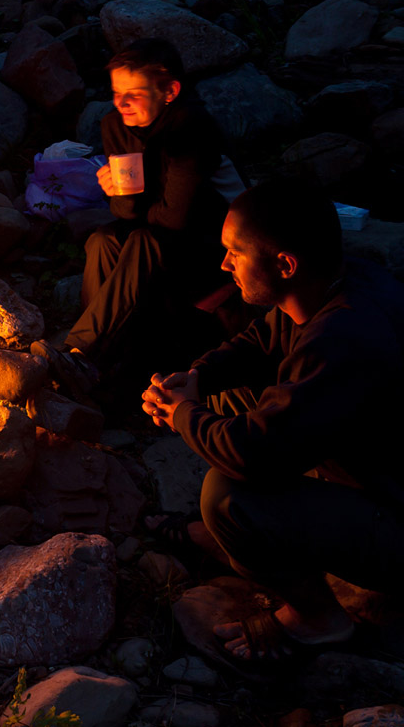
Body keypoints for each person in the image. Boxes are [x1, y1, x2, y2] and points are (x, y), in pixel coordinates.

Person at [142, 178, 404, 667]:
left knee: (229, 497)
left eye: (234, 254)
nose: (224, 265)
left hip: (395, 517)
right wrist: (196, 379)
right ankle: (257, 543)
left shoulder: (343, 337)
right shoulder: (333, 285)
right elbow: (262, 339)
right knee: (232, 407)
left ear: (285, 264)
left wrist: (181, 413)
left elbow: (251, 456)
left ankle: (320, 619)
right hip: (366, 465)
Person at [33, 37, 230, 395]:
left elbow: (175, 220)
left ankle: (80, 351)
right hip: (160, 238)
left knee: (142, 240)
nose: (120, 102)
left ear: (169, 91)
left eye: (134, 94)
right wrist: (118, 193)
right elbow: (126, 213)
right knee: (103, 240)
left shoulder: (190, 129)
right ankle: (96, 363)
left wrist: (134, 200)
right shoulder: (117, 126)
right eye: (116, 91)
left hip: (217, 247)